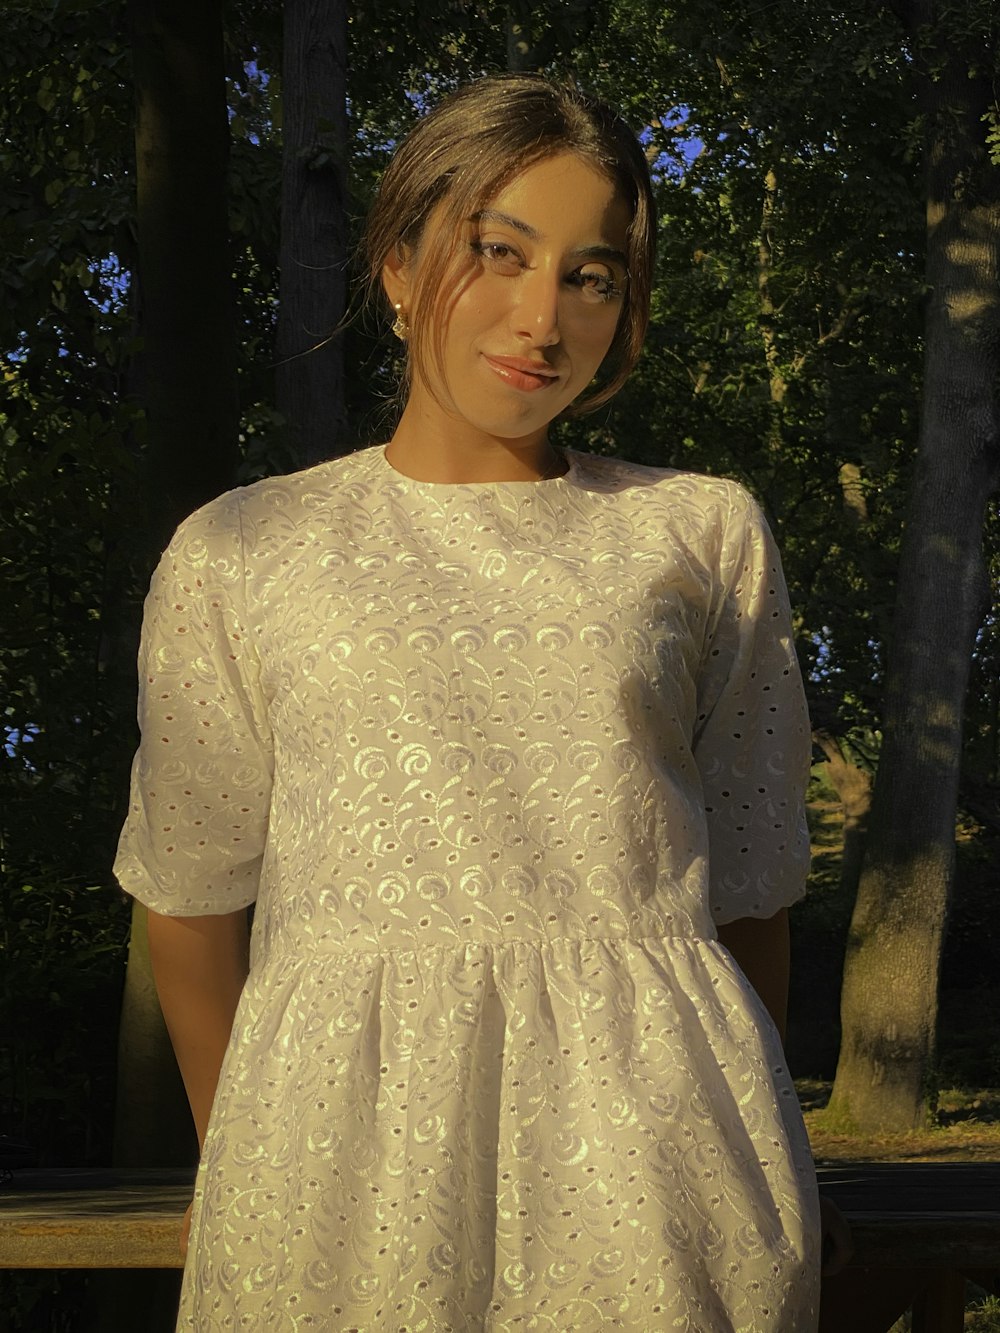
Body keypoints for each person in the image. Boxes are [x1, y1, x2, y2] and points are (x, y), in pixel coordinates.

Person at [115, 74, 845, 1332]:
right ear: (400, 267)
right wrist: (250, 1156)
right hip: (330, 1163)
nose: (540, 316)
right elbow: (187, 901)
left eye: (591, 275)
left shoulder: (698, 531)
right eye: (496, 253)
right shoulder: (243, 551)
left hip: (655, 1165)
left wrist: (733, 1131)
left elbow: (749, 895)